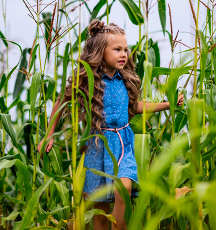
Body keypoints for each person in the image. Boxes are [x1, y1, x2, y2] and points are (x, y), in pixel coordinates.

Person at [37, 19, 184, 230]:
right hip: (98, 145)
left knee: (122, 189)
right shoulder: (87, 81)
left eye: (125, 49)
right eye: (117, 49)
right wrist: (49, 134)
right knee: (100, 211)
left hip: (122, 143)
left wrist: (167, 104)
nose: (124, 54)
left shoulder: (124, 80)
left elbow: (135, 107)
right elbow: (61, 101)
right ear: (100, 52)